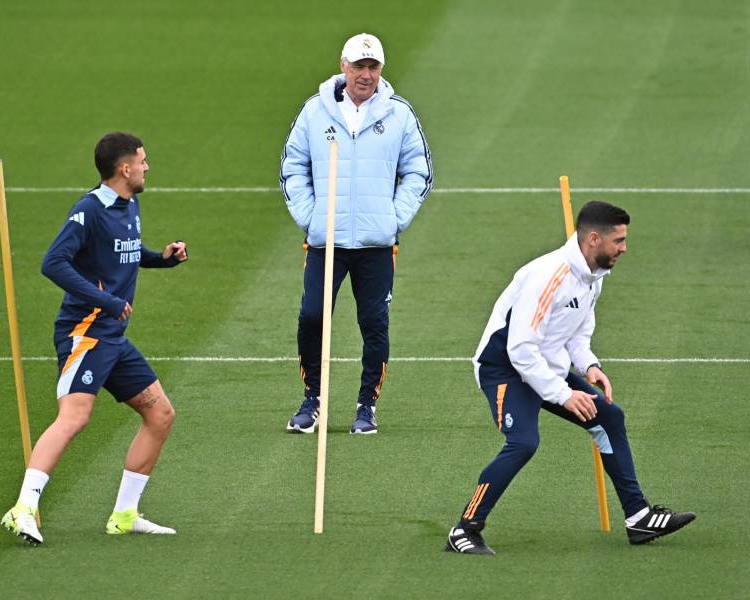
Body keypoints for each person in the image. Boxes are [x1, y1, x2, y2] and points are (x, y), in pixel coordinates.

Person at [446, 201, 695, 555]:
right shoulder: (549, 276)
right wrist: (563, 394)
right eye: (619, 241)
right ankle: (464, 530)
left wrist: (590, 366)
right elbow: (520, 349)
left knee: (609, 417)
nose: (624, 248)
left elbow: (577, 334)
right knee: (523, 442)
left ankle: (638, 516)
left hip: (546, 368)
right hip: (505, 369)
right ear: (594, 239)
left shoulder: (594, 275)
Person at [0, 132, 188, 545]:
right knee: (74, 418)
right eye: (142, 160)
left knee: (160, 415)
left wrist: (162, 258)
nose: (146, 166)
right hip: (84, 333)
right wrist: (103, 299)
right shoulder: (89, 210)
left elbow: (127, 251)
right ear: (124, 168)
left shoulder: (129, 205)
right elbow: (54, 263)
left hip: (114, 338)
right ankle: (24, 508)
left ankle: (125, 514)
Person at [280, 33, 432, 434]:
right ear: (343, 66)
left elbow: (418, 170)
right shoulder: (316, 111)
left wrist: (393, 218)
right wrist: (311, 217)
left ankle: (367, 406)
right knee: (312, 317)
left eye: (373, 67)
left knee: (373, 322)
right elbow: (293, 166)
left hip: (376, 244)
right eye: (359, 66)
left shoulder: (398, 113)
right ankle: (311, 400)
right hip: (324, 240)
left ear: (381, 69)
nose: (366, 75)